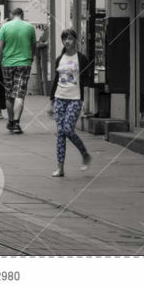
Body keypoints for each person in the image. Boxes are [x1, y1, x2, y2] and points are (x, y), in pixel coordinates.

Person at [49, 29, 93, 177]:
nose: (67, 41)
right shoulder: (59, 58)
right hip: (59, 98)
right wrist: (51, 102)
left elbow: (86, 81)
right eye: (64, 39)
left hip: (75, 98)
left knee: (68, 129)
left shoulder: (81, 58)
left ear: (75, 40)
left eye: (70, 38)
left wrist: (85, 100)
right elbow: (56, 80)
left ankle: (85, 154)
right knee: (60, 133)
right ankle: (60, 168)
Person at [0, 7, 37, 135]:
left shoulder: (5, 27)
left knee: (9, 94)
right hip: (24, 63)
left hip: (8, 63)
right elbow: (33, 46)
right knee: (19, 93)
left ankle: (10, 121)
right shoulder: (29, 27)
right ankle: (16, 122)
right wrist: (31, 58)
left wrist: (1, 61)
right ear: (22, 15)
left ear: (12, 15)